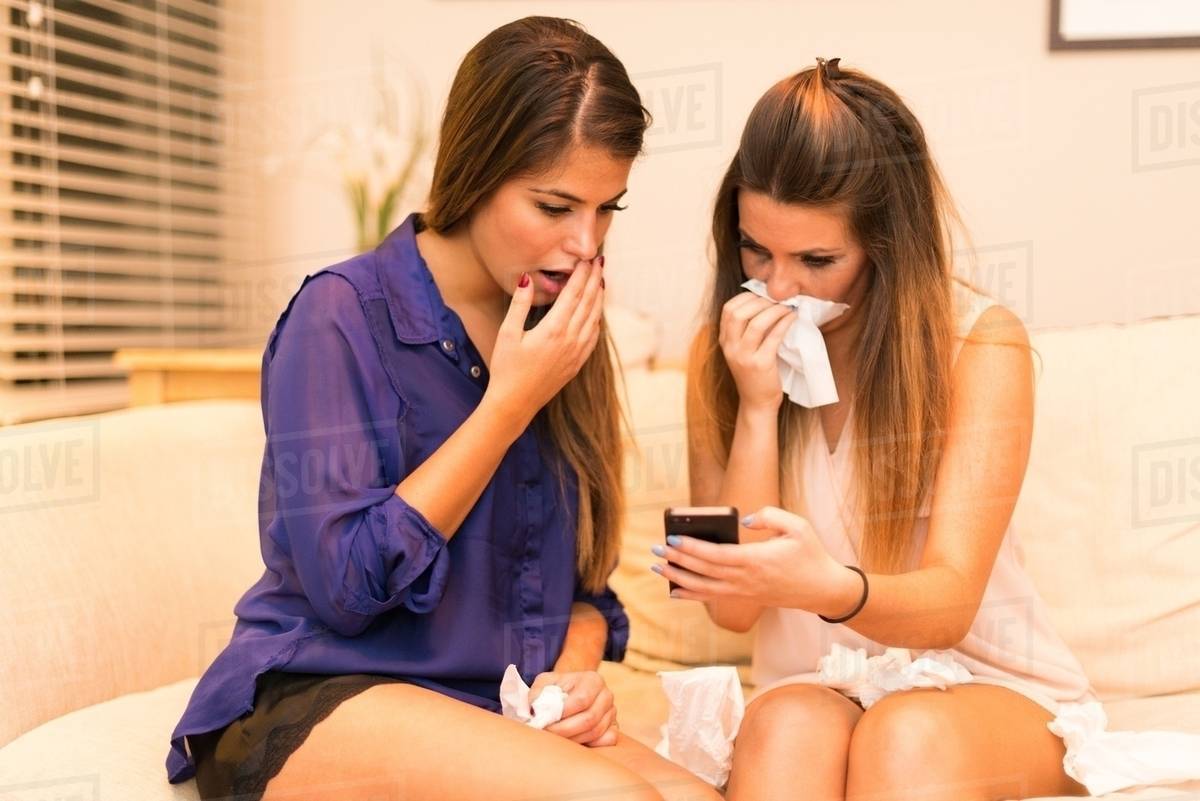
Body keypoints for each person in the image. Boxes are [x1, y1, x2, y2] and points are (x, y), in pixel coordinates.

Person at [166, 16, 721, 801]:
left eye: (608, 211)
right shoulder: (341, 315)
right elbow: (347, 590)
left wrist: (571, 679)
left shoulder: (558, 318)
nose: (585, 243)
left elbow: (584, 593)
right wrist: (508, 405)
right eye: (555, 206)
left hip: (491, 709)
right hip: (320, 693)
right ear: (476, 170)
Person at [652, 58, 1097, 800]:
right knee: (786, 729)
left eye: (817, 259)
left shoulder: (979, 347)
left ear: (885, 247)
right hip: (814, 683)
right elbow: (733, 609)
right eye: (756, 250)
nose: (779, 286)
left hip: (981, 682)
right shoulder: (722, 351)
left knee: (903, 733)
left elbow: (951, 605)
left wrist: (828, 586)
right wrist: (758, 407)